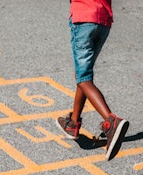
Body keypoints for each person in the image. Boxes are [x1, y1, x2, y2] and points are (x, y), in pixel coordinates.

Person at [56, 0, 129, 161]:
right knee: (84, 75)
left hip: (84, 18)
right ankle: (73, 123)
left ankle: (111, 121)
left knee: (83, 78)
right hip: (103, 21)